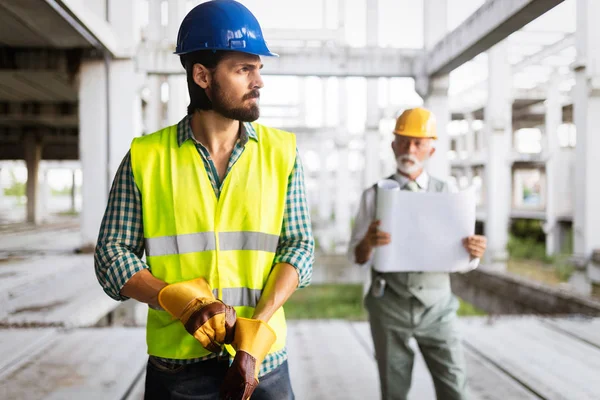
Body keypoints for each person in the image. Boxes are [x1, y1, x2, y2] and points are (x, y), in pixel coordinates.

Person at [94, 1, 314, 399]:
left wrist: (255, 331)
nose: (258, 81)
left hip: (264, 362)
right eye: (243, 69)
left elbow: (299, 247)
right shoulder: (147, 157)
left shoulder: (283, 153)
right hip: (178, 368)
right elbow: (111, 256)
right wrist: (182, 303)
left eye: (259, 68)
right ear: (202, 76)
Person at [348, 107, 487, 400]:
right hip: (389, 306)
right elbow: (356, 256)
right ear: (393, 144)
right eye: (404, 140)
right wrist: (368, 243)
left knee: (455, 389)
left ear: (431, 149)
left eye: (418, 143)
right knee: (394, 390)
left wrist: (474, 253)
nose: (410, 149)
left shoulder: (449, 193)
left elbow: (463, 259)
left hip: (438, 307)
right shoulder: (373, 195)